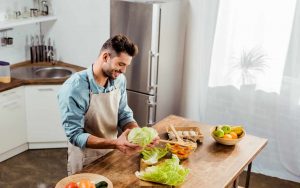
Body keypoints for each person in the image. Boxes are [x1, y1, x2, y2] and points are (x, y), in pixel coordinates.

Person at [58, 34, 158, 175]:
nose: (123, 71)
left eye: (126, 66)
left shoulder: (119, 80)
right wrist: (116, 143)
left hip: (113, 153)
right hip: (85, 158)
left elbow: (123, 115)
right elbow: (75, 135)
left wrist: (141, 135)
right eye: (120, 64)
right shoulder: (74, 88)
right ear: (106, 57)